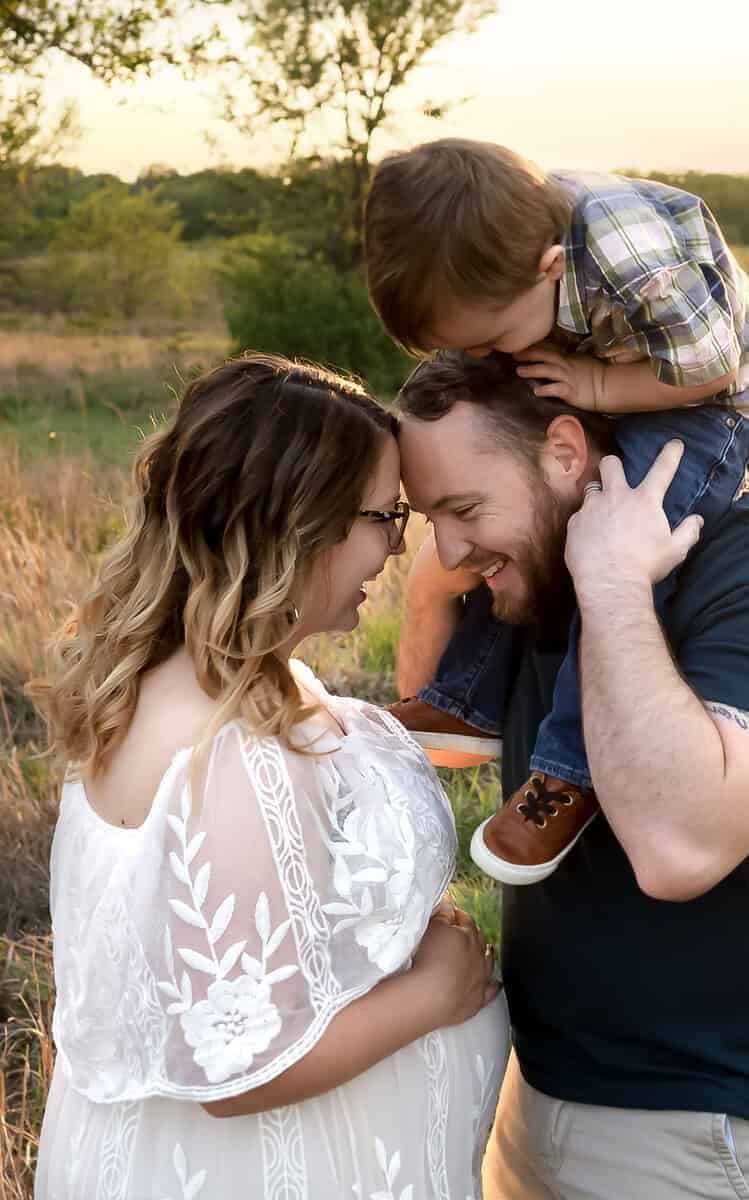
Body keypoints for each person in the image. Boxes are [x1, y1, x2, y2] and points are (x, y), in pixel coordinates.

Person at [31, 353, 507, 1200]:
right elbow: (237, 1069)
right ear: (297, 523)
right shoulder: (226, 744)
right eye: (383, 516)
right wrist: (435, 993)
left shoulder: (219, 689)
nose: (398, 546)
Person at [396, 350, 749, 1199]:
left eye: (463, 509)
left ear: (563, 452)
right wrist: (430, 587)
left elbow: (680, 852)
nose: (450, 546)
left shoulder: (731, 563)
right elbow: (438, 725)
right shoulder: (537, 564)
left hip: (686, 1128)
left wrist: (616, 586)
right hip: (533, 1091)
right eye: (429, 519)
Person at [364, 136, 749, 885]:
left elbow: (716, 368)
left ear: (547, 269)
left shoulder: (638, 266)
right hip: (619, 358)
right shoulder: (503, 242)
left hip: (706, 398)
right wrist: (435, 583)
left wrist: (597, 390)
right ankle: (465, 699)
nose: (494, 358)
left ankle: (565, 772)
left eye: (493, 341)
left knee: (627, 531)